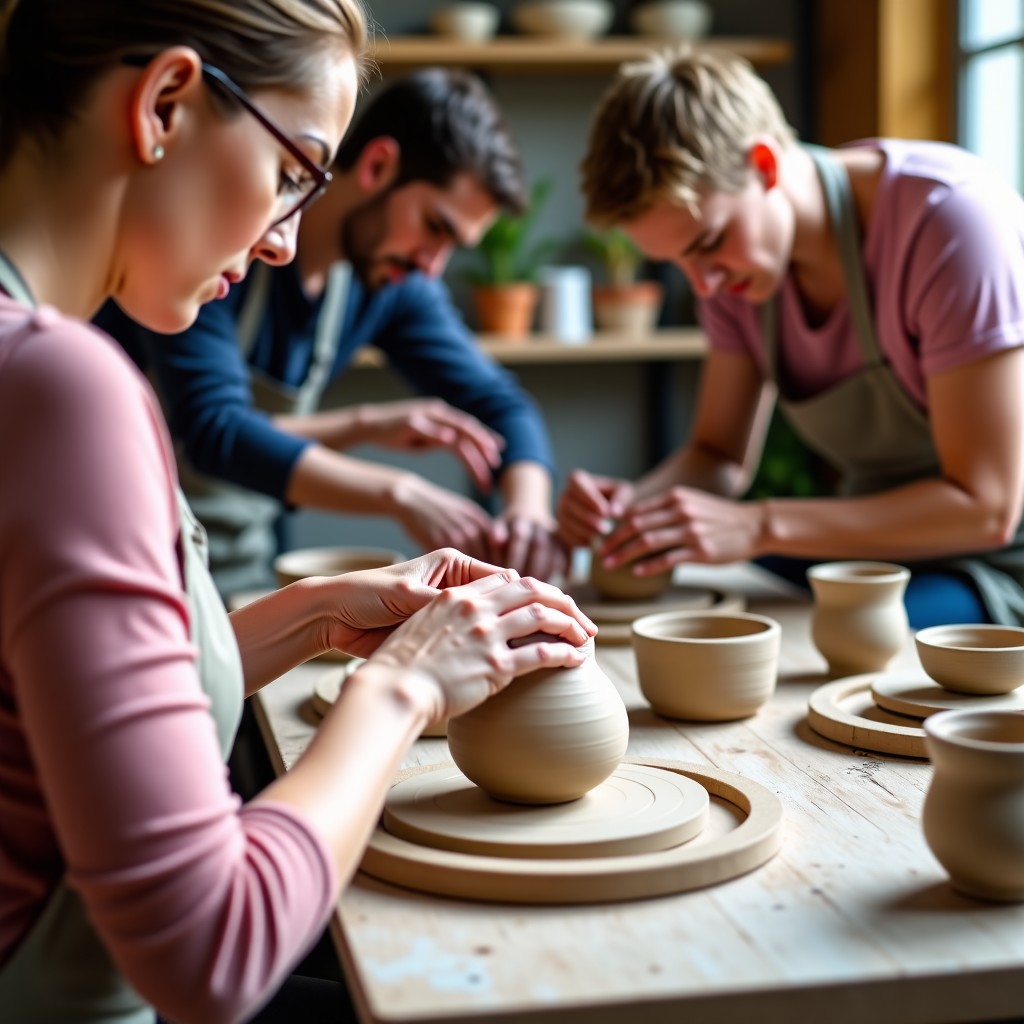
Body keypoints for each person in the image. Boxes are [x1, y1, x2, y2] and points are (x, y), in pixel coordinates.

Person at [0, 3, 596, 1023]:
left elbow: (54, 707)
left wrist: (323, 613)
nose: (283, 240)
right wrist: (404, 687)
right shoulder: (61, 388)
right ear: (166, 103)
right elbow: (209, 957)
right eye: (289, 174)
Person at [561, 45, 1024, 630]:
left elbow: (986, 509)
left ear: (765, 165)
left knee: (829, 636)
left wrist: (758, 525)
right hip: (880, 549)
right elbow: (718, 456)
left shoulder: (949, 224)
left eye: (707, 243)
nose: (704, 287)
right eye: (677, 262)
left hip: (1001, 559)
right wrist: (631, 512)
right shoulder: (736, 277)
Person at [95, 67, 565, 598]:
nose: (433, 265)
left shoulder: (393, 286)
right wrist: (398, 490)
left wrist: (528, 511)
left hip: (242, 573)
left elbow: (501, 403)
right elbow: (215, 430)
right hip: (125, 564)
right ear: (378, 165)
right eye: (435, 227)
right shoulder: (225, 246)